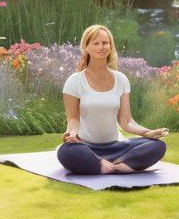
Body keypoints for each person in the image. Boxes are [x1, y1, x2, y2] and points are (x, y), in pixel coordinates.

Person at [57, 25, 168, 175]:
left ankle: (113, 164)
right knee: (65, 152)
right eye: (96, 43)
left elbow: (126, 121)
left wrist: (147, 132)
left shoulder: (121, 79)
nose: (101, 47)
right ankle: (107, 164)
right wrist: (71, 133)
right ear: (86, 47)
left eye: (105, 43)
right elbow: (72, 119)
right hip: (86, 147)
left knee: (157, 146)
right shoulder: (75, 81)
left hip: (117, 147)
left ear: (110, 46)